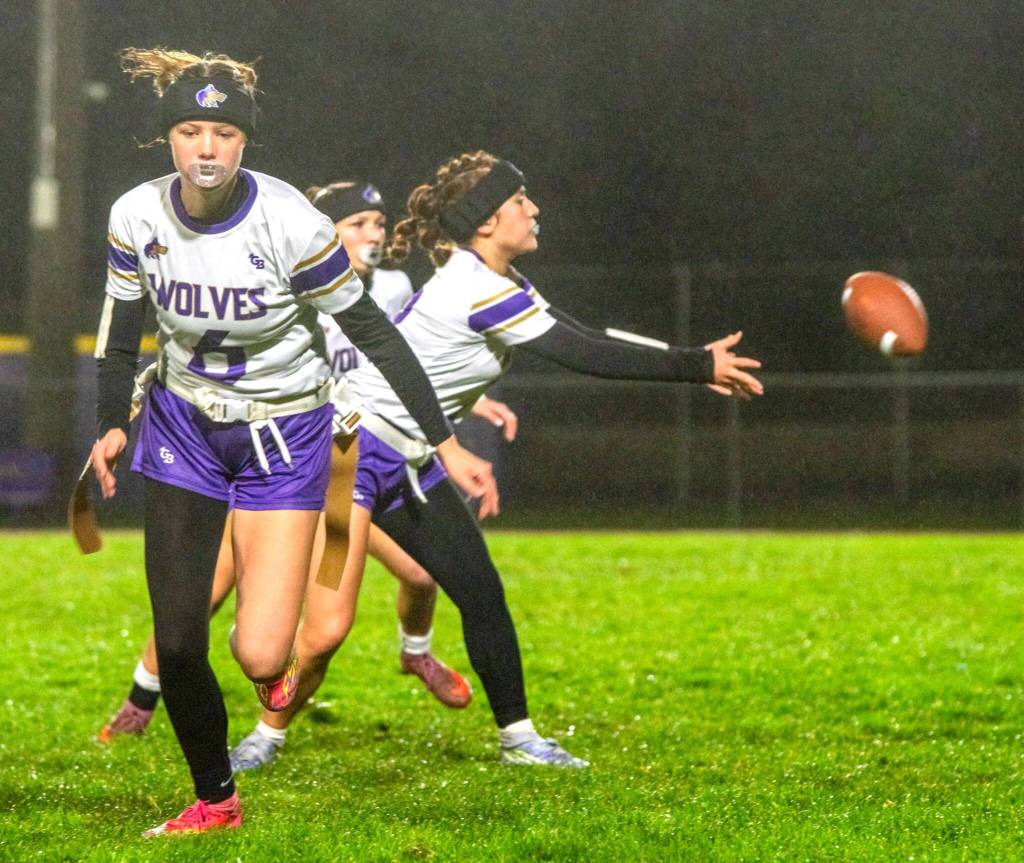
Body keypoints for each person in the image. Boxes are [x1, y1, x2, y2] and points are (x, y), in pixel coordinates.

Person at [92, 50, 494, 837]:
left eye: (224, 133)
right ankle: (216, 798)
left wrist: (444, 439)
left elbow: (373, 331)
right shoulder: (134, 215)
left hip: (286, 431)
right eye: (189, 130)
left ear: (246, 143)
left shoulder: (295, 226)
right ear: (167, 139)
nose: (207, 148)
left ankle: (270, 680)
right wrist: (112, 422)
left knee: (260, 651)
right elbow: (120, 334)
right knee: (178, 639)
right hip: (183, 424)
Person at [336, 150, 764, 769]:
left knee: (480, 591)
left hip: (405, 458)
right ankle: (247, 738)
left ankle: (519, 739)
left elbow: (586, 335)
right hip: (345, 450)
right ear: (485, 222)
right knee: (318, 632)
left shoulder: (496, 280)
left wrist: (693, 357)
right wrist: (697, 368)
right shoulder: (475, 287)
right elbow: (581, 357)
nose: (533, 210)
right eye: (519, 201)